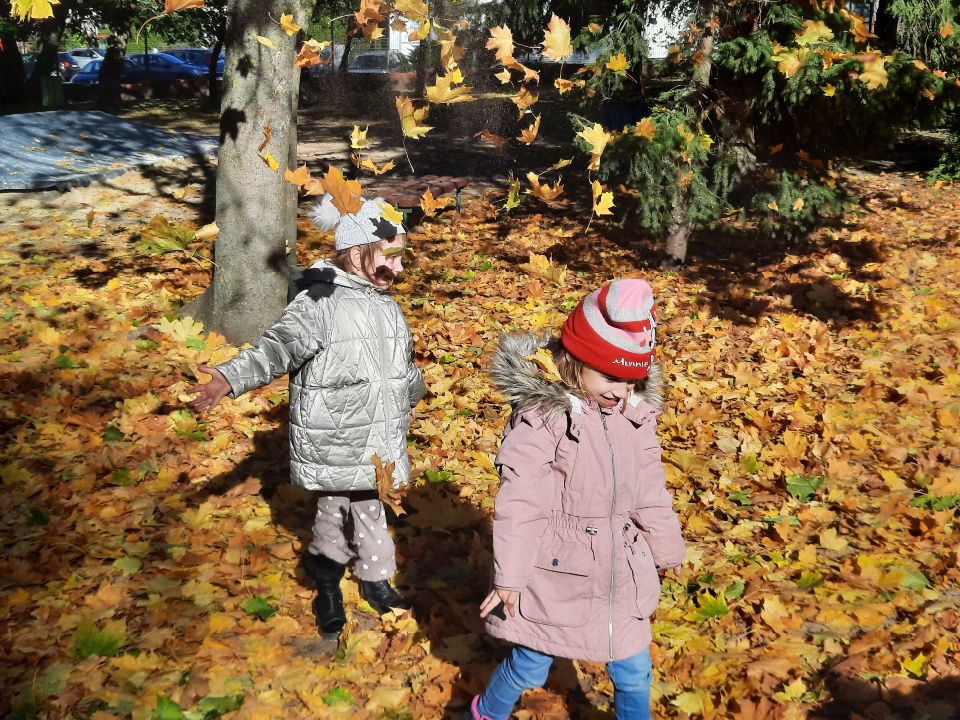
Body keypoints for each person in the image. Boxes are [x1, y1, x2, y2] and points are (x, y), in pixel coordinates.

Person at [187, 193, 425, 639]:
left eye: (401, 258)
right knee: (341, 509)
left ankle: (368, 579)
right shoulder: (320, 301)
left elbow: (402, 364)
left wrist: (413, 390)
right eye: (391, 257)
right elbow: (276, 348)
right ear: (356, 254)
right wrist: (229, 378)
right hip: (335, 435)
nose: (399, 269)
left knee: (364, 508)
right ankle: (332, 582)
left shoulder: (389, 308)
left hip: (377, 437)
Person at [467, 279, 686, 720]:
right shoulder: (544, 419)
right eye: (610, 377)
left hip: (620, 569)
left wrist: (666, 546)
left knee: (634, 671)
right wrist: (511, 575)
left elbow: (649, 488)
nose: (620, 391)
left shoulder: (635, 416)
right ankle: (486, 711)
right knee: (531, 664)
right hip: (555, 572)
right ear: (575, 361)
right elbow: (521, 502)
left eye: (631, 380)